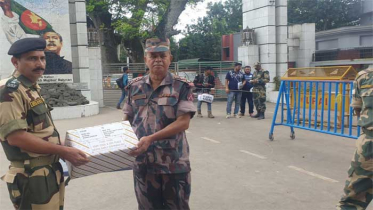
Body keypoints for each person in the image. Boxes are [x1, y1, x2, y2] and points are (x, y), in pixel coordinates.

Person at [0, 38, 89, 210]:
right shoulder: (9, 91)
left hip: (48, 171)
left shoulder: (31, 87)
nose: (39, 63)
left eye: (42, 58)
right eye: (32, 58)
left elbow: (40, 132)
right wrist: (64, 151)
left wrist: (69, 146)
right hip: (31, 176)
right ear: (15, 62)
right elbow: (17, 137)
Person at [123, 37, 196, 210]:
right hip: (143, 163)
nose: (158, 60)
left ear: (170, 58)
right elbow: (127, 119)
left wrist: (150, 138)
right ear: (145, 59)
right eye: (153, 55)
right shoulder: (134, 87)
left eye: (162, 55)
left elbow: (183, 122)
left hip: (174, 164)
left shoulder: (182, 87)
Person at [336, 68, 373, 210]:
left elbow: (359, 111)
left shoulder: (364, 76)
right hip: (369, 147)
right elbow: (358, 109)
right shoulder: (364, 76)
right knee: (352, 202)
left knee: (352, 203)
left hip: (369, 144)